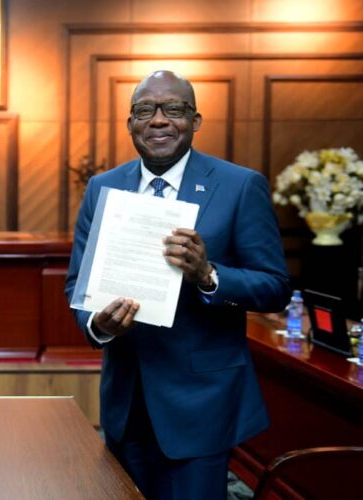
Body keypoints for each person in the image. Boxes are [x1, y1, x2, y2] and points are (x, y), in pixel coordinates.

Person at [65, 71, 290, 500]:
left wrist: (208, 275)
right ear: (131, 123)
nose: (158, 120)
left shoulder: (239, 186)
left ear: (195, 120)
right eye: (145, 110)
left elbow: (275, 287)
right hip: (125, 401)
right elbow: (78, 282)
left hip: (201, 402)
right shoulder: (102, 187)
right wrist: (98, 324)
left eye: (174, 109)